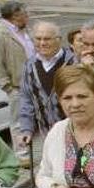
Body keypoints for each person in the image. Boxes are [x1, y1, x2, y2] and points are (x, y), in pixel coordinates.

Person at [19, 21, 76, 175]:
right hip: (48, 133)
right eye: (38, 39)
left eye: (47, 39)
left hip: (76, 130)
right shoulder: (29, 65)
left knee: (78, 171)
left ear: (58, 39)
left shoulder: (73, 62)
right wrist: (26, 129)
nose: (42, 43)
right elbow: (26, 98)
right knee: (56, 170)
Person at [0, 0, 34, 167]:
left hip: (32, 83)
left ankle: (32, 150)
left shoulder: (23, 31)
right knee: (19, 121)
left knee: (32, 118)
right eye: (25, 13)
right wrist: (8, 87)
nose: (28, 16)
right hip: (17, 86)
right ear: (15, 15)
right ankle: (22, 155)